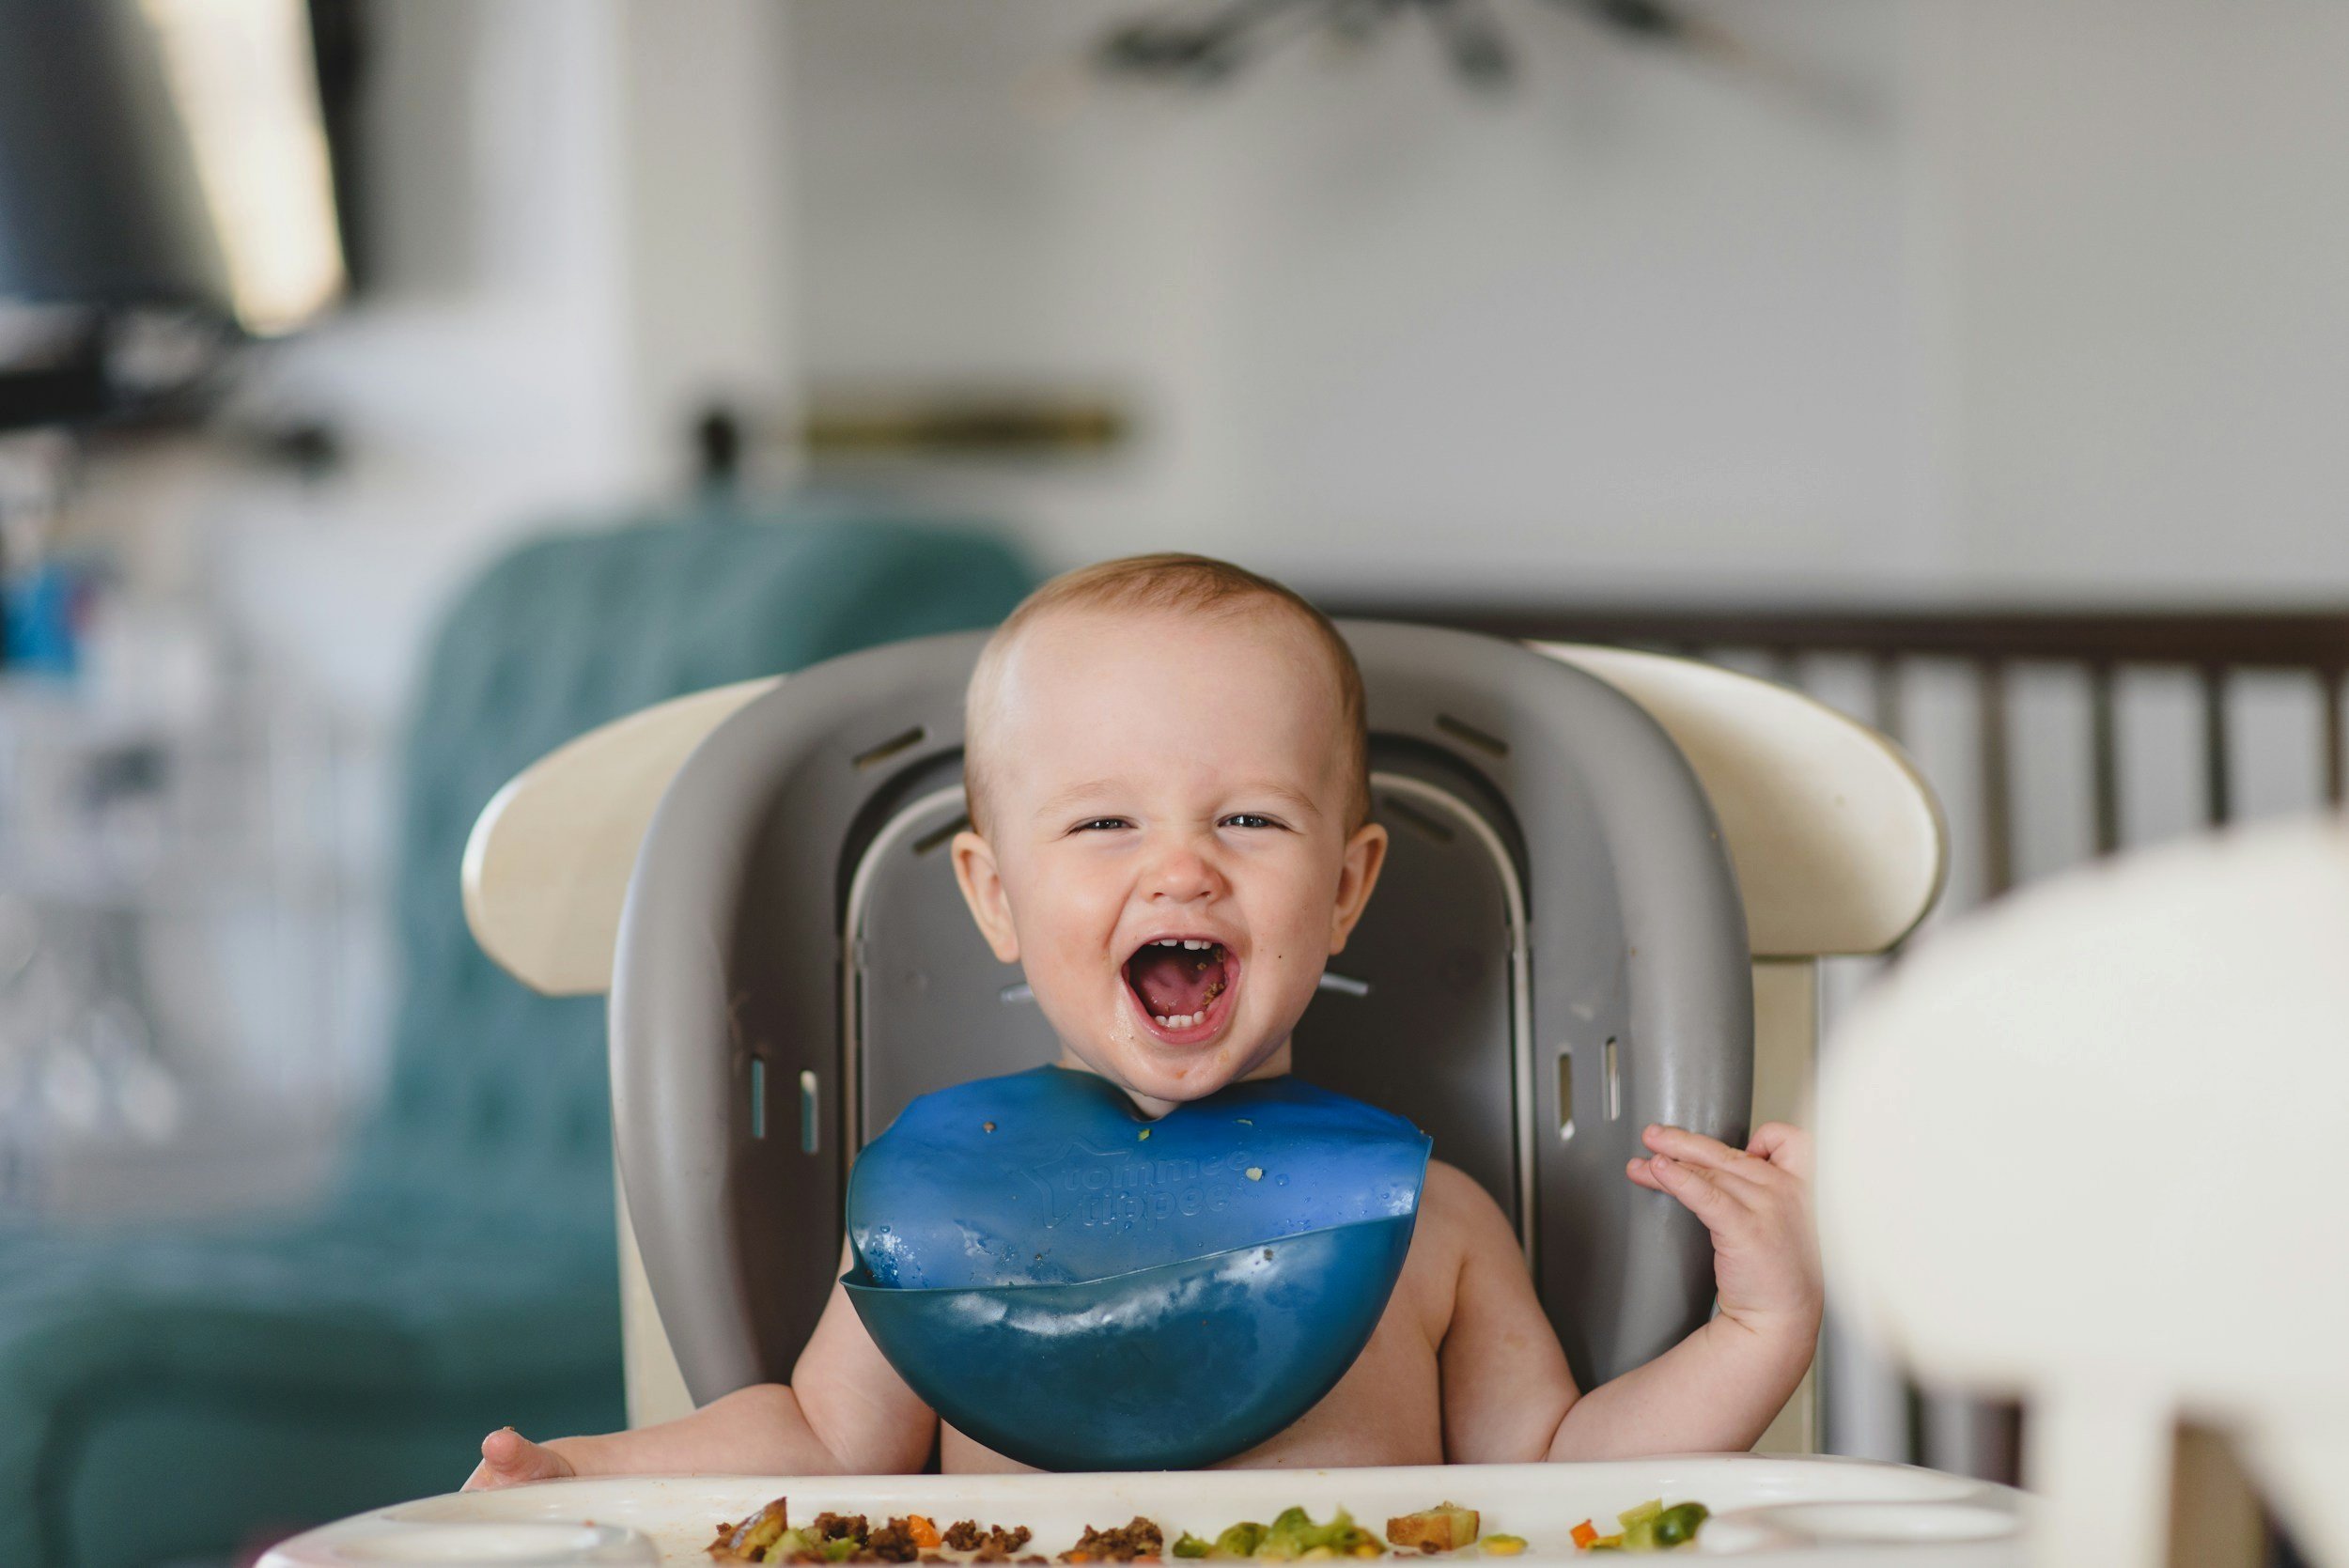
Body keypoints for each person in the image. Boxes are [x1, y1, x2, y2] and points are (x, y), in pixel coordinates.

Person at [466, 552, 1819, 1486]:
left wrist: (1755, 1333)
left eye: (1249, 818)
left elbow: (1555, 1476)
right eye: (1105, 822)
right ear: (995, 897)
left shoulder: (1433, 1222)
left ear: (1347, 888)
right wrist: (591, 1466)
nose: (1181, 867)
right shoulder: (943, 1215)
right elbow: (822, 1443)